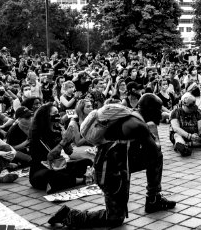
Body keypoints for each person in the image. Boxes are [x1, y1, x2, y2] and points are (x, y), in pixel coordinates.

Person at [48, 94, 176, 228]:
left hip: (115, 166)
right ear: (149, 110)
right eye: (158, 110)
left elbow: (152, 154)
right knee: (114, 219)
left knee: (156, 157)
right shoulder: (138, 125)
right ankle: (69, 215)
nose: (160, 114)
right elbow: (154, 150)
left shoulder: (131, 117)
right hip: (110, 173)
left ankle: (153, 199)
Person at [28, 103, 92, 193]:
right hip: (42, 171)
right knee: (53, 175)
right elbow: (49, 157)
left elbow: (69, 152)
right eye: (55, 113)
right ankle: (80, 180)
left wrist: (68, 140)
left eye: (58, 112)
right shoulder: (38, 136)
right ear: (46, 116)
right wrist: (64, 141)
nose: (58, 115)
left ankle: (62, 182)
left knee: (86, 162)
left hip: (59, 166)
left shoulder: (57, 131)